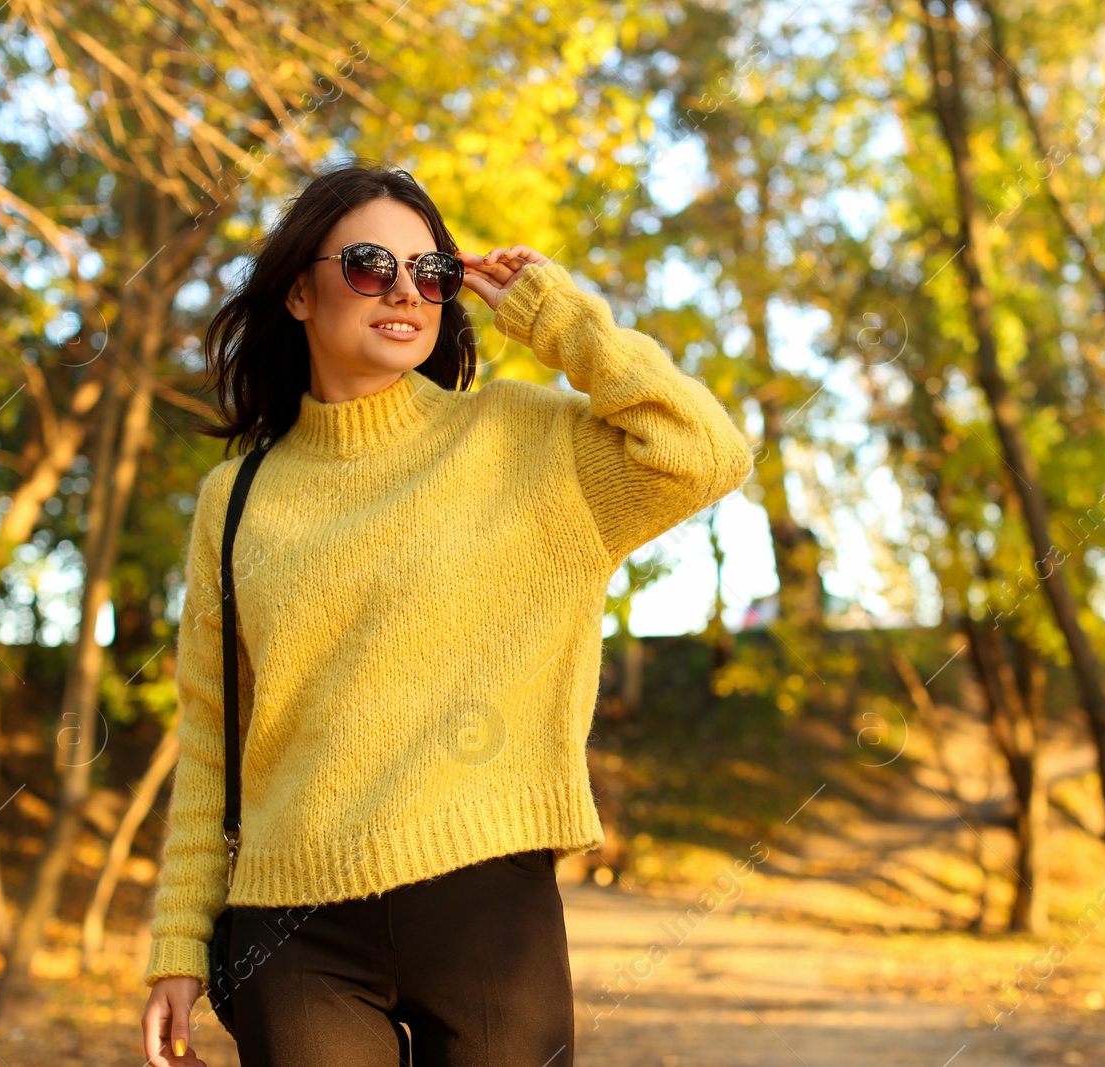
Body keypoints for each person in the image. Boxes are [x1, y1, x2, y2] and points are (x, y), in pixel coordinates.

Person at [138, 161, 753, 1067]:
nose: (404, 291)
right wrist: (179, 943)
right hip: (292, 931)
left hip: (488, 911)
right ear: (299, 292)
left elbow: (705, 453)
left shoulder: (524, 441)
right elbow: (210, 741)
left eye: (430, 273)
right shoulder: (236, 499)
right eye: (369, 265)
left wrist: (561, 319)